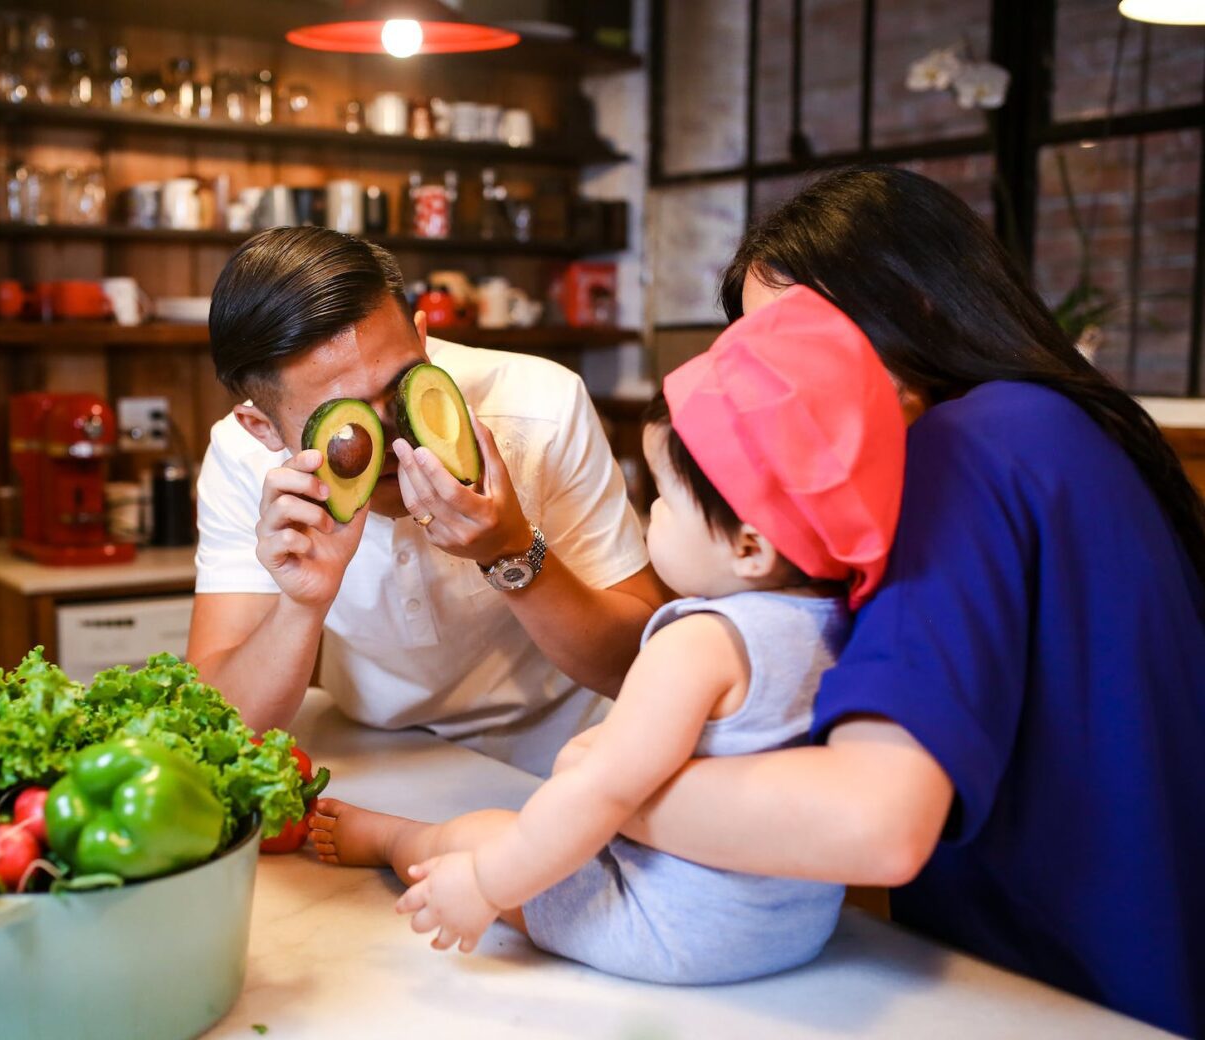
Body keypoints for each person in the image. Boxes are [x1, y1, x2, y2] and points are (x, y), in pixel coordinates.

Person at [581, 167, 1202, 1035]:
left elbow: (874, 822)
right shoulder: (1068, 427)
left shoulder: (958, 455)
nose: (771, 391)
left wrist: (600, 787)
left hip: (1058, 999)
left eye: (795, 342)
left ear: (917, 308)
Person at [310, 286, 906, 982]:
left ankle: (392, 839)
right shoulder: (836, 620)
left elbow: (600, 796)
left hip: (664, 929)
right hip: (792, 930)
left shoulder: (698, 643)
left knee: (484, 833)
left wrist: (484, 887)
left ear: (750, 546)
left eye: (665, 500)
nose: (652, 518)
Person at [186, 227, 670, 775]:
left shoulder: (543, 405)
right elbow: (219, 726)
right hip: (380, 754)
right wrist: (302, 604)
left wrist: (508, 550)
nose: (396, 440)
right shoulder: (240, 458)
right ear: (263, 428)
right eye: (344, 421)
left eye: (402, 385)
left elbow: (637, 663)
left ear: (421, 336)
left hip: (572, 751)